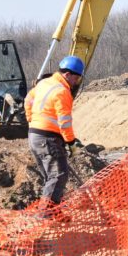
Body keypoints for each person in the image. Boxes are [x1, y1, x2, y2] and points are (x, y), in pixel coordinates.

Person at [27, 57, 85, 220]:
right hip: (48, 138)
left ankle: (55, 212)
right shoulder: (62, 91)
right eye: (76, 78)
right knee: (58, 175)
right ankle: (45, 215)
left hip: (34, 135)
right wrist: (71, 143)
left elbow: (28, 100)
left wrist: (32, 120)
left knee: (51, 177)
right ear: (67, 74)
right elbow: (65, 122)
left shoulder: (43, 84)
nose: (76, 82)